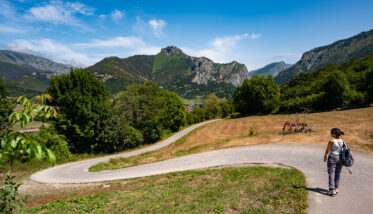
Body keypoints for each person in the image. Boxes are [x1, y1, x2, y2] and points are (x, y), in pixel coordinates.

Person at [324, 128, 345, 196]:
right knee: (337, 173)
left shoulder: (331, 141)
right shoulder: (342, 141)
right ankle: (336, 188)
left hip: (332, 157)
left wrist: (325, 156)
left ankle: (332, 189)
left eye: (331, 132)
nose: (330, 134)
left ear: (335, 134)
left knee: (331, 173)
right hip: (340, 158)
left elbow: (327, 150)